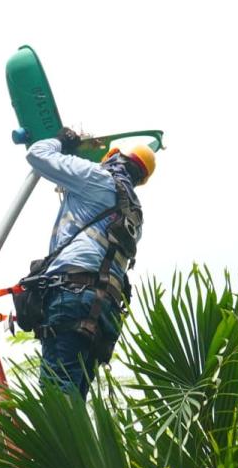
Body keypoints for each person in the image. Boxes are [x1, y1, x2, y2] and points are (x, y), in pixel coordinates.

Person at [24, 127, 156, 397]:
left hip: (73, 295)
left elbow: (37, 154)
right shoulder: (135, 215)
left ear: (114, 157)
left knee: (57, 395)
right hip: (104, 309)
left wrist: (61, 140)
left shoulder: (97, 177)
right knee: (73, 397)